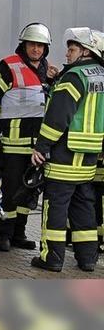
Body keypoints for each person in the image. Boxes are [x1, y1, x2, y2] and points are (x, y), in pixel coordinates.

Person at [30, 27, 104, 272]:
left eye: (72, 49)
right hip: (89, 157)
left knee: (56, 206)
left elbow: (58, 117)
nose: (67, 53)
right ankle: (87, 259)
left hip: (65, 154)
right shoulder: (100, 76)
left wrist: (41, 146)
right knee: (84, 205)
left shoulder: (74, 77)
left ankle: (52, 257)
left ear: (85, 51)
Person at [0, 22, 58, 252]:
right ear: (24, 45)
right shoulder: (9, 66)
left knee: (29, 191)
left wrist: (54, 80)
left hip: (37, 145)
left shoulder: (47, 70)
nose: (37, 49)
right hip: (13, 142)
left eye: (41, 46)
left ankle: (19, 234)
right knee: (11, 190)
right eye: (33, 44)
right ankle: (3, 235)